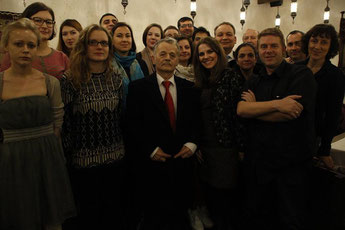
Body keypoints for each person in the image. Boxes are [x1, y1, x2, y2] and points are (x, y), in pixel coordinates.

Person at [237, 28, 317, 230]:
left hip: (291, 166)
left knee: (290, 220)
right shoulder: (254, 79)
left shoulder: (301, 74)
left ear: (283, 49)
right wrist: (277, 104)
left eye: (273, 46)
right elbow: (241, 110)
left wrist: (256, 109)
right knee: (261, 218)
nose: (268, 50)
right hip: (260, 164)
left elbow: (291, 113)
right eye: (263, 47)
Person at [0, 18, 76, 230]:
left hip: (47, 157)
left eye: (31, 45)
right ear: (6, 46)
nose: (25, 50)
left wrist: (53, 157)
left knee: (52, 220)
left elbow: (57, 123)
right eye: (18, 44)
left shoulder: (49, 83)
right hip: (11, 160)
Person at [126, 37, 200, 230]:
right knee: (154, 217)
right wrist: (149, 149)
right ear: (153, 58)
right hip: (153, 165)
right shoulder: (138, 88)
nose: (168, 58)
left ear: (177, 60)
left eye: (172, 55)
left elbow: (197, 122)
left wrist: (192, 144)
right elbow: (132, 124)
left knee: (180, 217)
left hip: (182, 163)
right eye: (163, 54)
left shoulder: (190, 88)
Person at [60, 24, 125, 230]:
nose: (99, 47)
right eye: (93, 42)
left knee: (113, 214)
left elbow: (120, 117)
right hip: (84, 163)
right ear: (84, 46)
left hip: (115, 159)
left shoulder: (116, 79)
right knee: (89, 217)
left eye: (104, 43)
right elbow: (65, 123)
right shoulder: (70, 80)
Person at [193, 36, 244, 230]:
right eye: (201, 54)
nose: (206, 57)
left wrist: (240, 147)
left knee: (226, 197)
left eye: (209, 52)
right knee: (211, 195)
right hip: (206, 146)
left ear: (218, 53)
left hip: (226, 145)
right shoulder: (202, 80)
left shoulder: (230, 76)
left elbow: (237, 116)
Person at [299, 24, 345, 169]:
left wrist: (324, 149)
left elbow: (333, 115)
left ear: (330, 47)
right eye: (314, 40)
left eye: (324, 42)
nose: (317, 46)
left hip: (314, 136)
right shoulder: (296, 69)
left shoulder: (335, 76)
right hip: (290, 132)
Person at [0, 2, 69, 79]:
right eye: (38, 20)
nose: (44, 26)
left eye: (49, 22)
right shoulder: (13, 55)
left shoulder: (62, 58)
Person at [111, 22, 145, 103]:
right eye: (119, 36)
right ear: (111, 40)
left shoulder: (141, 63)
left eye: (128, 36)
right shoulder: (107, 65)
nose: (124, 39)